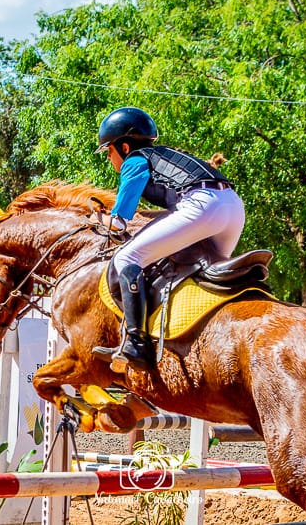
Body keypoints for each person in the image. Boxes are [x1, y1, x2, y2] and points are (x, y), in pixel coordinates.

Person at [92, 107, 245, 371]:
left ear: (124, 147)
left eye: (109, 151)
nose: (109, 158)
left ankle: (136, 343)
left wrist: (97, 218)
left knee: (129, 257)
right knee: (207, 274)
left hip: (202, 206)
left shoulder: (134, 160)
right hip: (233, 207)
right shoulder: (168, 156)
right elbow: (174, 210)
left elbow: (118, 223)